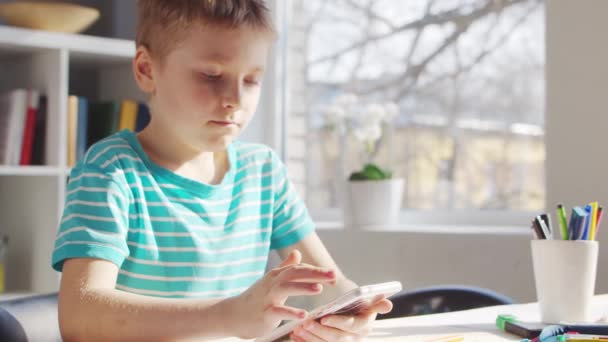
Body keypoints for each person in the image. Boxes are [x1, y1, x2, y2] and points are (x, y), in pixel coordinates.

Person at [52, 1, 393, 340]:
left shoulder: (262, 172)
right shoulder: (111, 170)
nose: (235, 98)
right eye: (211, 75)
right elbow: (80, 316)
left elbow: (331, 283)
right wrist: (227, 315)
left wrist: (349, 313)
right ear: (146, 70)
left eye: (251, 80)